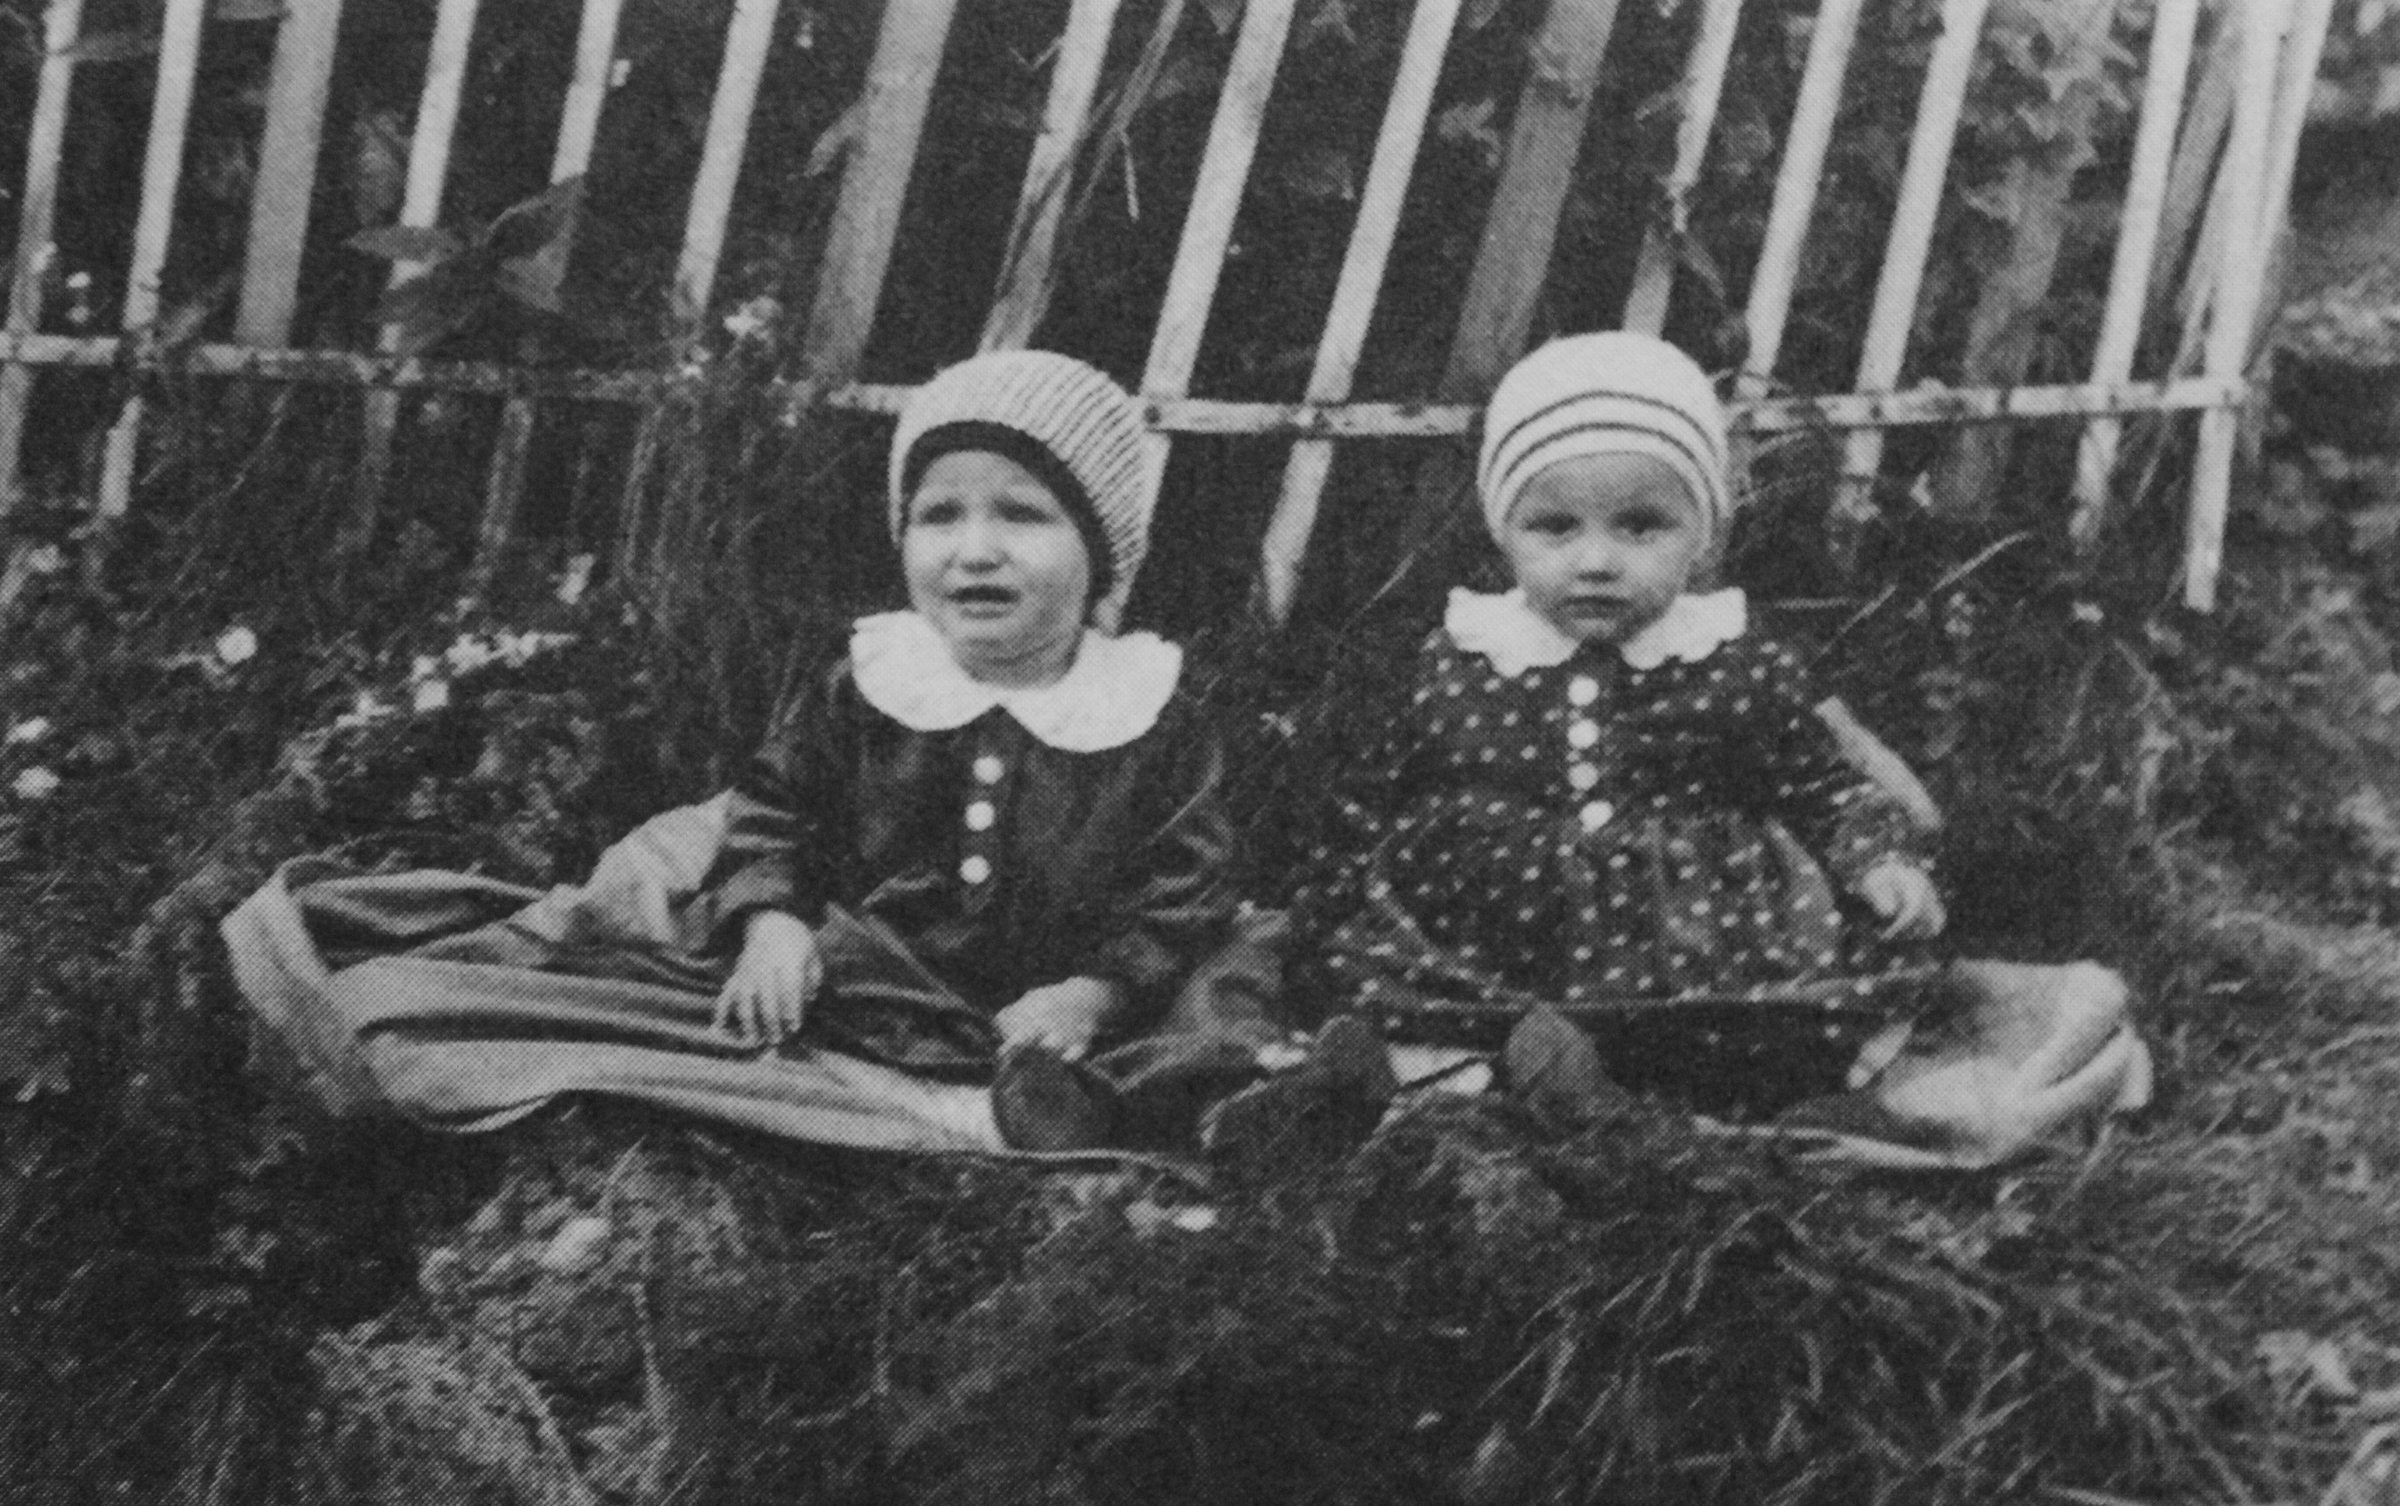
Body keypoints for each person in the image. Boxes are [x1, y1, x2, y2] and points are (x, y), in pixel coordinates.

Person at [226, 350, 1264, 1158]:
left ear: (1100, 549)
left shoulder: (1148, 714)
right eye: (938, 514)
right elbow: (778, 808)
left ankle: (1047, 1105)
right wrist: (773, 924)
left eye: (1024, 516)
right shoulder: (873, 681)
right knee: (678, 901)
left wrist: (1094, 990)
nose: (974, 549)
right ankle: (915, 1095)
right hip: (865, 966)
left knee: (1224, 993)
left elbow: (1184, 887)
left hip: (1039, 992)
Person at [1288, 332, 2148, 1165]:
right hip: (1497, 929)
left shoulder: (1732, 661)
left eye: (1640, 527)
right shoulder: (1459, 658)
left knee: (1750, 1019)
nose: (1596, 561)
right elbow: (1377, 792)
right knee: (1422, 986)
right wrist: (1333, 900)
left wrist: (1876, 857)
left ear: (1700, 531)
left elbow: (1820, 781)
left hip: (1691, 934)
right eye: (1555, 527)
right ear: (1502, 528)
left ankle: (1626, 1084)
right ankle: (1460, 1066)